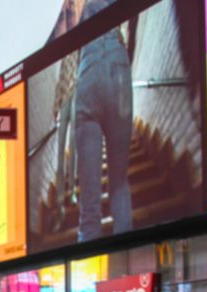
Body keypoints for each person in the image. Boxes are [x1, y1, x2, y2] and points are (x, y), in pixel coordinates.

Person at [73, 0, 134, 241]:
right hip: (118, 65)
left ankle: (86, 264)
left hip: (87, 71)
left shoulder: (77, 8)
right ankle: (128, 264)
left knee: (90, 202)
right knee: (119, 183)